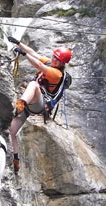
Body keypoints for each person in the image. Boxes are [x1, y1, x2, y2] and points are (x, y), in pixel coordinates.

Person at [7, 36, 72, 174]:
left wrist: (23, 55)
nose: (54, 60)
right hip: (31, 104)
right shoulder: (51, 63)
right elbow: (34, 53)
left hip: (40, 105)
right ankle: (16, 158)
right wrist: (19, 43)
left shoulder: (56, 74)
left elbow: (38, 66)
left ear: (62, 63)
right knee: (12, 131)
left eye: (58, 60)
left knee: (33, 84)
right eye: (54, 57)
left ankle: (21, 103)